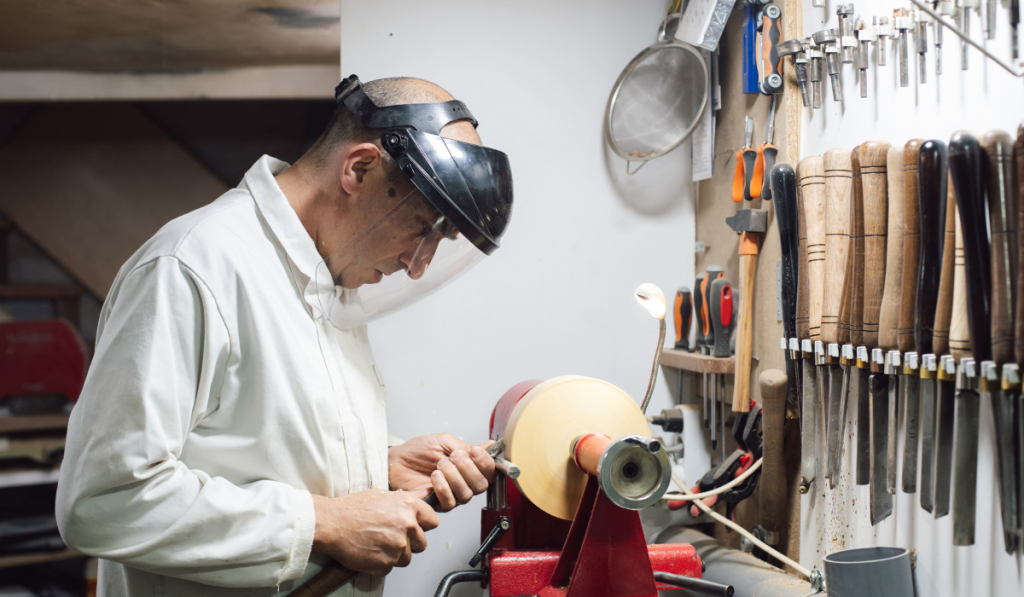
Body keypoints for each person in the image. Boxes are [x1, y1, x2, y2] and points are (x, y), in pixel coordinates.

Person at [55, 75, 514, 597]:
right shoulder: (191, 267)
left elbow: (251, 440)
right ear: (359, 168)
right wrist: (326, 525)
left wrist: (379, 464)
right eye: (421, 229)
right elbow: (103, 501)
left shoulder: (326, 278)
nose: (417, 266)